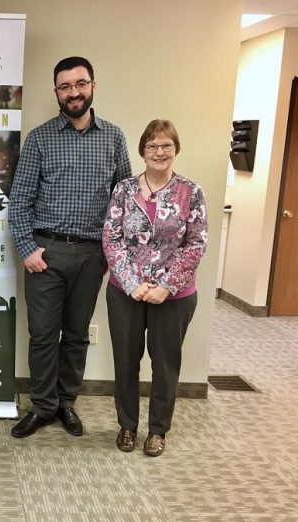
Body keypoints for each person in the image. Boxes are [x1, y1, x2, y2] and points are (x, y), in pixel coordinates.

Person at [8, 56, 132, 438]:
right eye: (65, 86)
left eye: (80, 84)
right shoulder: (40, 139)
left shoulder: (113, 137)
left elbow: (125, 202)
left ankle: (66, 403)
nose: (73, 92)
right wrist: (28, 249)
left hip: (93, 255)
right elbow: (20, 201)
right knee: (43, 335)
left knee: (76, 335)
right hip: (46, 252)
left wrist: (114, 255)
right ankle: (43, 406)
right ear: (57, 92)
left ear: (93, 86)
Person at [102, 119, 207, 457]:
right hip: (125, 291)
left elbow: (195, 244)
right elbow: (111, 238)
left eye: (166, 146)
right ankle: (128, 426)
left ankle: (158, 430)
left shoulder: (191, 192)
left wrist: (165, 285)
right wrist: (132, 283)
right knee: (126, 361)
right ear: (142, 151)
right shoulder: (123, 189)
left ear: (175, 149)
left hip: (174, 296)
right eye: (152, 146)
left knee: (165, 365)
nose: (159, 152)